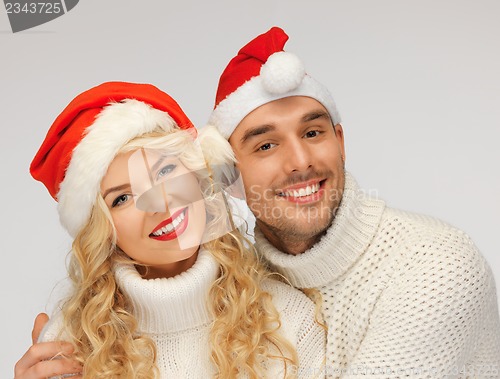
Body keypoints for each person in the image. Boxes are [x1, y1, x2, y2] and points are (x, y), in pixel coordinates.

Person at [207, 27, 500, 377]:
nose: (300, 161)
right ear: (229, 177)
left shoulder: (436, 264)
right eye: (266, 145)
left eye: (312, 133)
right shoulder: (240, 288)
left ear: (340, 142)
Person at [14, 81, 325, 378]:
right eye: (122, 198)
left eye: (164, 171)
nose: (159, 204)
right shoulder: (69, 346)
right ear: (103, 230)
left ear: (197, 176)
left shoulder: (289, 321)